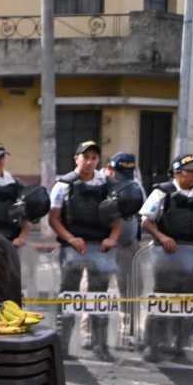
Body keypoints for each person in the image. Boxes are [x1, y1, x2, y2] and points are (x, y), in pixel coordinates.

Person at [139, 154, 193, 363]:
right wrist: (161, 236)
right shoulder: (162, 192)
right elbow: (146, 221)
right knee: (162, 301)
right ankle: (153, 344)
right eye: (191, 171)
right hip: (167, 256)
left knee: (189, 305)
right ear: (177, 172)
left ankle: (179, 346)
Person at [48, 141, 122, 361]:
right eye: (85, 157)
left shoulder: (109, 185)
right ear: (76, 158)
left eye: (94, 158)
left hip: (101, 248)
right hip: (73, 249)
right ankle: (62, 347)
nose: (90, 162)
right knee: (69, 297)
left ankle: (100, 346)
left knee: (99, 297)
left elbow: (118, 218)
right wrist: (70, 238)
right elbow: (54, 218)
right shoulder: (63, 184)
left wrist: (112, 238)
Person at [104, 152, 143, 340]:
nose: (124, 176)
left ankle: (129, 329)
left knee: (131, 289)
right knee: (96, 291)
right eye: (120, 171)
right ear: (110, 169)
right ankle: (92, 333)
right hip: (106, 245)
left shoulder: (135, 186)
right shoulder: (102, 185)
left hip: (129, 245)